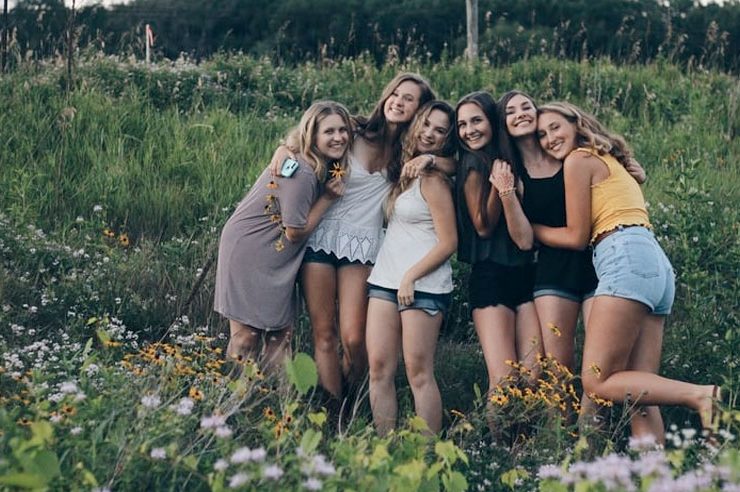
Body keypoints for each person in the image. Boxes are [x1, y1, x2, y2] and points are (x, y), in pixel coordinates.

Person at [534, 101, 720, 441]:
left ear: (576, 123)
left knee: (597, 381)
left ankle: (702, 395)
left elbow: (576, 237)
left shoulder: (579, 159)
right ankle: (654, 470)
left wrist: (531, 230)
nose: (549, 139)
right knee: (641, 393)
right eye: (542, 135)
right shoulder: (609, 159)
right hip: (653, 262)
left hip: (624, 256)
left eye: (555, 127)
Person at [270, 74, 453, 406]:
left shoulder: (407, 152)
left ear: (420, 109)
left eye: (409, 98)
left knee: (355, 339)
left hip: (362, 246)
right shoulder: (353, 130)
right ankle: (335, 412)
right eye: (395, 93)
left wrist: (430, 158)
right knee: (324, 334)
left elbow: (457, 164)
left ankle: (353, 398)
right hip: (321, 239)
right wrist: (284, 149)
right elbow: (307, 138)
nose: (398, 101)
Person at [214, 101, 350, 373]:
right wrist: (327, 198)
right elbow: (295, 231)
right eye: (329, 131)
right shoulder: (301, 170)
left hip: (278, 255)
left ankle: (274, 396)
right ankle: (231, 392)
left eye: (343, 130)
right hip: (253, 247)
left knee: (280, 336)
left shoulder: (315, 162)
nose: (339, 137)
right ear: (312, 135)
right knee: (246, 336)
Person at [366, 101, 458, 435]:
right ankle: (385, 447)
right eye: (427, 124)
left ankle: (427, 454)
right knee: (379, 369)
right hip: (384, 281)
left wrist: (411, 276)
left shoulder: (433, 179)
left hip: (423, 285)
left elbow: (449, 242)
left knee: (418, 373)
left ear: (447, 139)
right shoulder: (403, 171)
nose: (430, 134)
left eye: (440, 130)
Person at [455, 91, 542, 405]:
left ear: (493, 122)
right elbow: (482, 225)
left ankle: (524, 436)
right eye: (462, 124)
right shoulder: (473, 163)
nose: (469, 130)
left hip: (526, 271)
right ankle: (495, 436)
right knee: (504, 380)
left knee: (533, 374)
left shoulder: (509, 158)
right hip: (491, 275)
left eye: (476, 121)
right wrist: (500, 187)